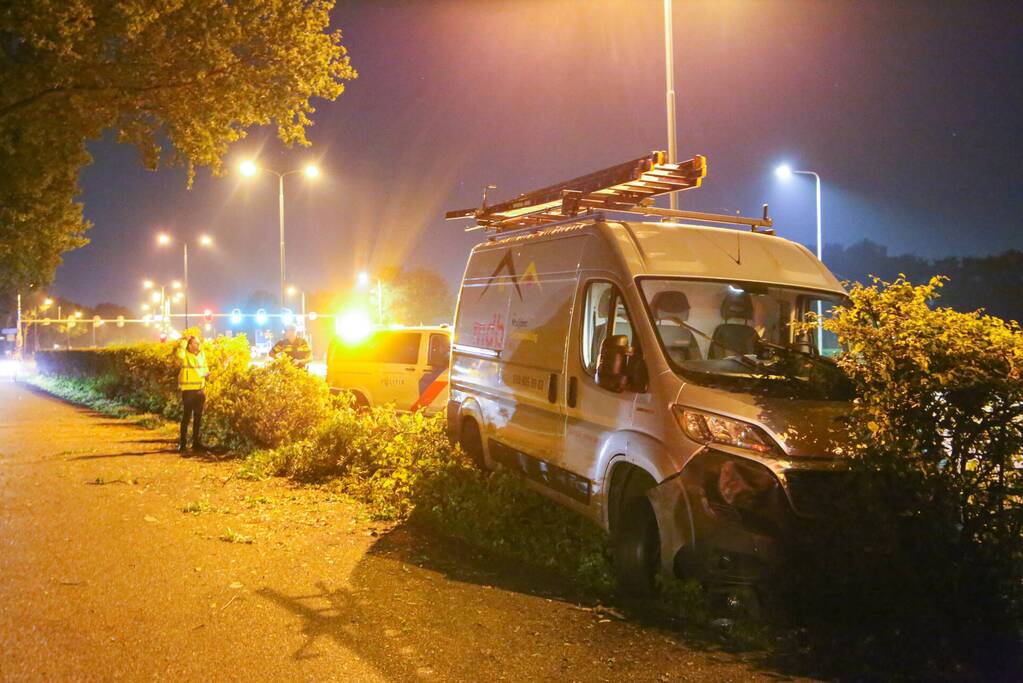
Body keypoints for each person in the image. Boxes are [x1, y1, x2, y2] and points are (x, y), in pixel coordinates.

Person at [176, 334, 208, 454]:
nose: (198, 345)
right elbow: (179, 354)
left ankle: (196, 442)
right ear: (190, 345)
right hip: (188, 390)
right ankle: (182, 444)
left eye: (199, 343)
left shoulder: (202, 354)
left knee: (198, 418)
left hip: (200, 390)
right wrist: (184, 340)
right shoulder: (185, 355)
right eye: (196, 343)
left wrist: (206, 374)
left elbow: (205, 368)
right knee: (186, 417)